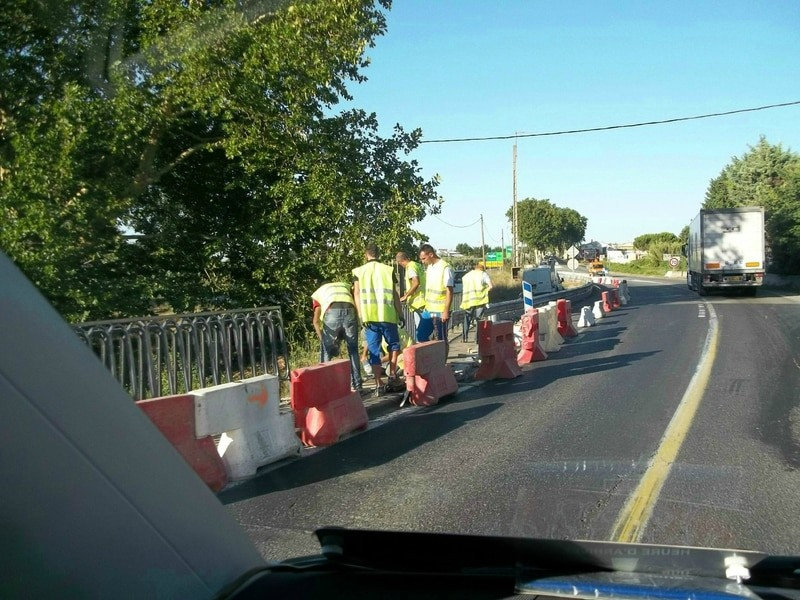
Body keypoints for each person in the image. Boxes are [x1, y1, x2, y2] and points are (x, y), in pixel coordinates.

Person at [352, 243, 404, 396]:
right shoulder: (388, 270)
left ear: (365, 254)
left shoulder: (359, 271)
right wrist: (400, 314)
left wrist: (361, 315)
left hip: (369, 318)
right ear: (379, 254)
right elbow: (395, 294)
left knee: (374, 351)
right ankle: (393, 375)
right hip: (388, 316)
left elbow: (357, 294)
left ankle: (378, 383)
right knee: (394, 346)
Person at [311, 281, 363, 391]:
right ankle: (358, 385)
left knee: (326, 351)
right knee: (353, 350)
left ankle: (326, 387)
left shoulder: (319, 293)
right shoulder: (345, 286)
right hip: (350, 310)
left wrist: (323, 340)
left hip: (332, 312)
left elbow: (315, 321)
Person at [418, 243, 453, 353]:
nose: (423, 262)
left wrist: (446, 310)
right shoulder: (429, 267)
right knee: (420, 335)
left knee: (441, 339)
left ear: (431, 254)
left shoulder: (445, 267)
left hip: (440, 311)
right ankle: (431, 358)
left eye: (424, 258)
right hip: (428, 309)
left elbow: (449, 290)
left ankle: (441, 363)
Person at [395, 251, 433, 343]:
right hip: (424, 299)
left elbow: (416, 282)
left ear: (400, 262)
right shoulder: (417, 265)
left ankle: (422, 352)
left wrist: (406, 296)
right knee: (425, 331)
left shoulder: (410, 267)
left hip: (418, 302)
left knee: (420, 332)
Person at [459, 261, 493, 343]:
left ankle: (464, 338)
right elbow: (491, 286)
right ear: (482, 269)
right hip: (480, 300)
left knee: (467, 318)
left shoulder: (467, 276)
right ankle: (477, 339)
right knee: (479, 320)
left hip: (469, 300)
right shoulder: (483, 274)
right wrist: (485, 291)